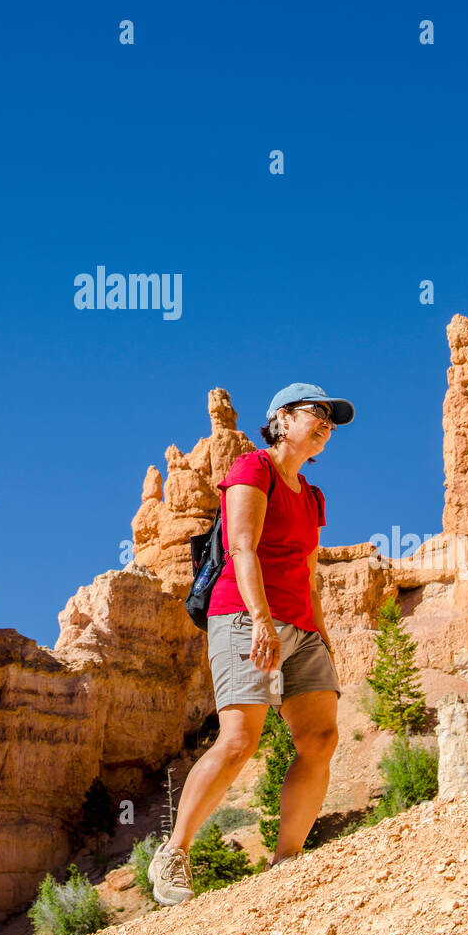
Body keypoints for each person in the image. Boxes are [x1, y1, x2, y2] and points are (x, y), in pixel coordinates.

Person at [147, 382, 355, 906]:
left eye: (332, 419)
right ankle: (173, 852)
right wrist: (261, 618)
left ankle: (287, 861)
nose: (327, 423)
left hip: (300, 626)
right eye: (318, 414)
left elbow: (308, 574)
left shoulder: (312, 496)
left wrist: (323, 637)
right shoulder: (251, 468)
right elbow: (242, 546)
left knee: (321, 740)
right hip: (243, 615)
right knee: (240, 739)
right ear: (281, 419)